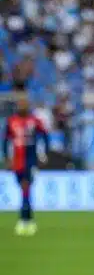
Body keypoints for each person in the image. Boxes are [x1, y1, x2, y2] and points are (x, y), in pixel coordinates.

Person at [2, 97, 49, 236]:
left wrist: (44, 154)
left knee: (26, 188)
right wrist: (7, 157)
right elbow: (5, 141)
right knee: (24, 189)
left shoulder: (34, 120)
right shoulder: (11, 121)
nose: (22, 106)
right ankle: (29, 220)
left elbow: (45, 136)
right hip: (17, 162)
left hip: (30, 160)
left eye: (24, 104)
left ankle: (24, 220)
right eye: (20, 104)